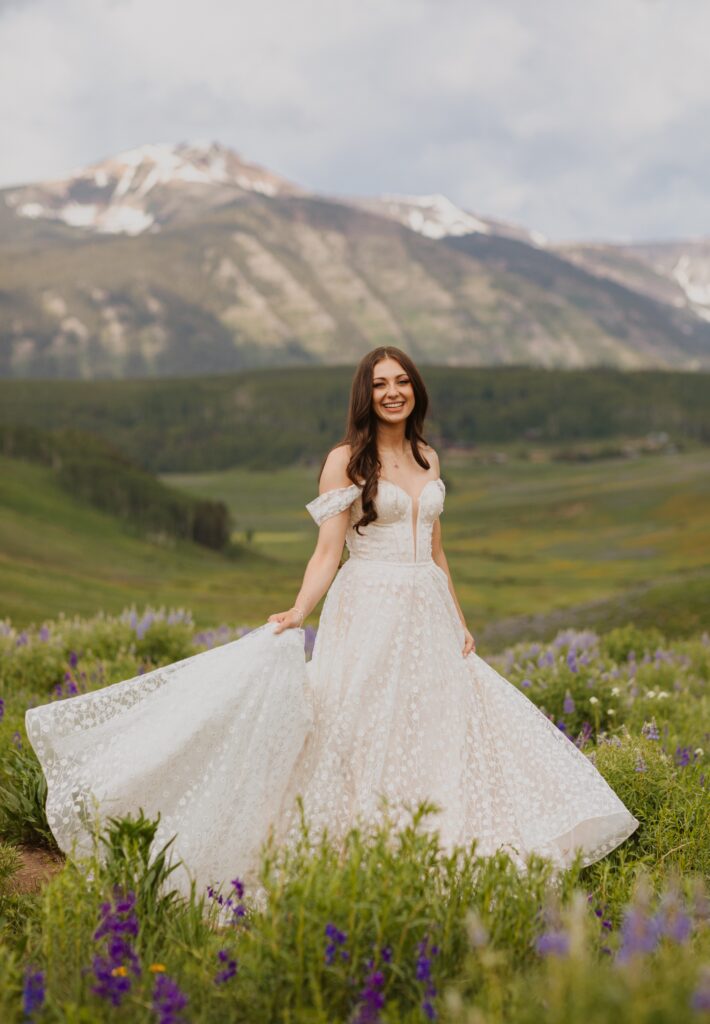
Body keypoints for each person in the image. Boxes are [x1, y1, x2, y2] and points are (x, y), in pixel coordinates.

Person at [25, 346, 639, 908]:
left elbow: (437, 549)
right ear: (364, 395)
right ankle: (345, 852)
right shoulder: (346, 460)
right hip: (367, 603)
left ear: (416, 391)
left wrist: (459, 620)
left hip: (426, 609)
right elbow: (328, 551)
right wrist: (298, 612)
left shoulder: (428, 456)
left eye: (402, 381)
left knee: (434, 723)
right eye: (381, 384)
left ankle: (432, 844)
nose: (393, 392)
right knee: (356, 722)